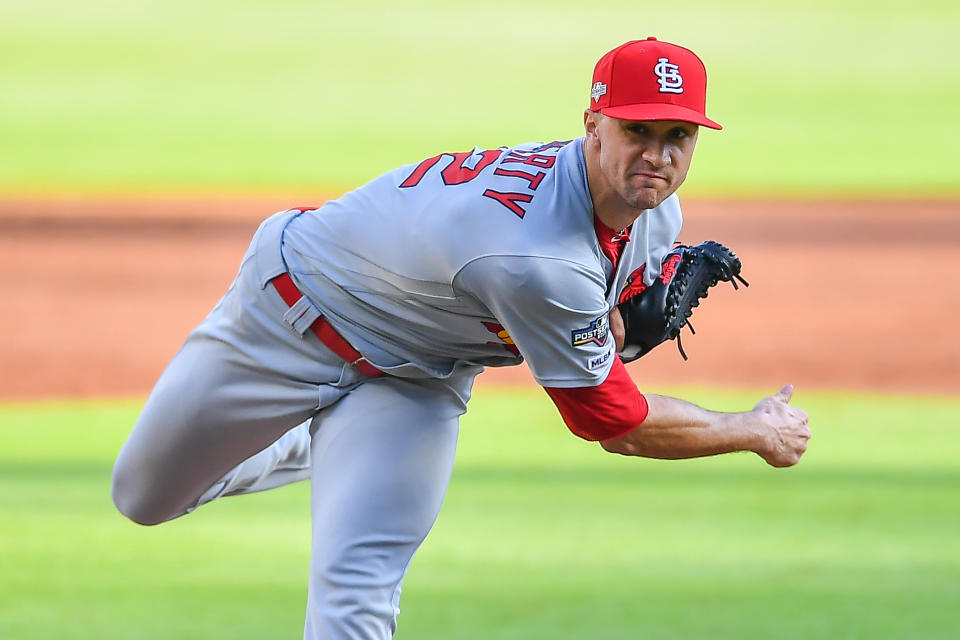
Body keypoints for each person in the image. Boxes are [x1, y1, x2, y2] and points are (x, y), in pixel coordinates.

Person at [112, 38, 810, 639]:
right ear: (593, 124)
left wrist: (616, 334)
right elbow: (616, 423)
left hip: (417, 379)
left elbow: (603, 325)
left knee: (355, 593)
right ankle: (308, 443)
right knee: (143, 498)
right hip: (286, 321)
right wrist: (752, 429)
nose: (657, 157)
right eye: (638, 132)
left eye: (677, 137)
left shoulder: (652, 215)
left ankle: (347, 446)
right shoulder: (536, 256)